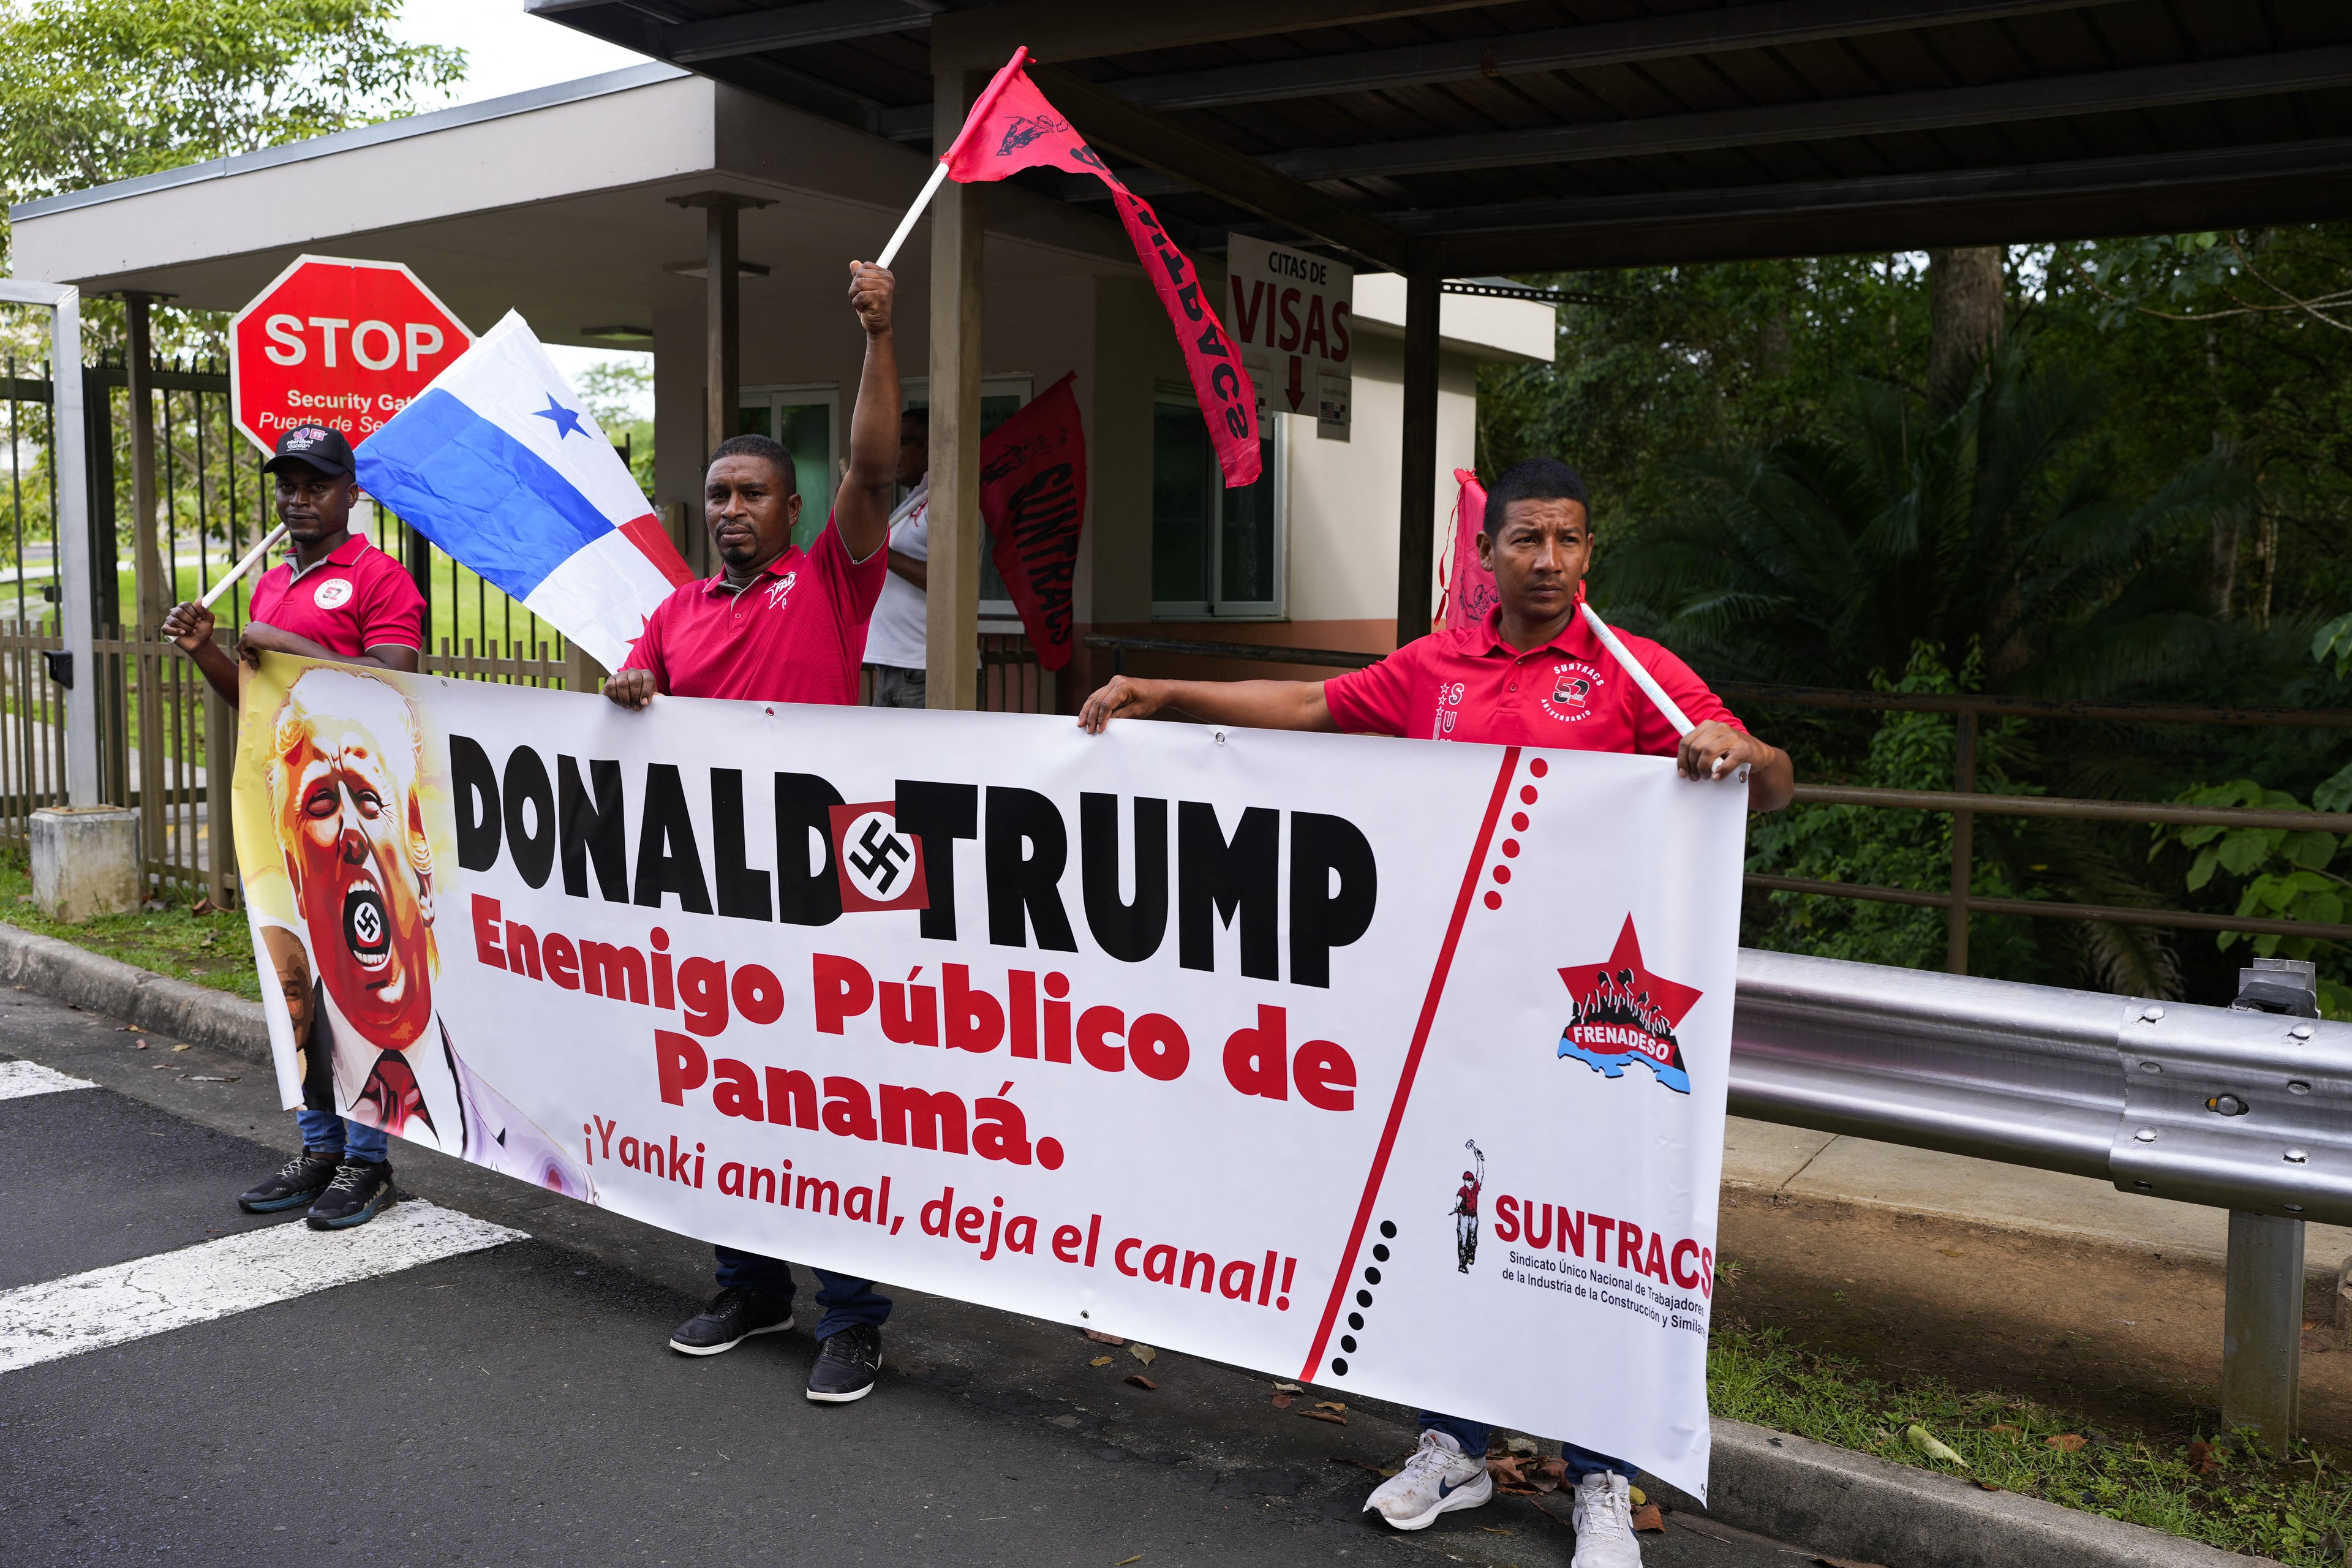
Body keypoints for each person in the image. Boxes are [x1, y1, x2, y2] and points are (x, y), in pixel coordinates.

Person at [1079, 456, 1795, 1567]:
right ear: (1489, 553)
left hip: (1589, 1028)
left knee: (1582, 1237)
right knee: (1454, 1231)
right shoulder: (1439, 665)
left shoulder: (1631, 675)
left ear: (1590, 551)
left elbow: (1778, 779)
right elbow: (1313, 704)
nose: (1548, 560)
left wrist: (1739, 750)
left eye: (1569, 539)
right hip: (1452, 1008)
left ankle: (1599, 1477)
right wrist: (1164, 694)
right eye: (1526, 540)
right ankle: (1453, 1446)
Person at [604, 258, 904, 1404]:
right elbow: (645, 699)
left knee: (829, 1102)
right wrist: (634, 683)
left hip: (820, 892)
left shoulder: (832, 580)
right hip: (710, 900)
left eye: (752, 494)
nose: (730, 508)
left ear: (793, 507)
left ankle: (854, 1316)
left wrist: (882, 338)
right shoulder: (674, 612)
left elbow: (875, 463)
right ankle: (748, 1283)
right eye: (717, 493)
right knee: (727, 1092)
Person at [158, 423, 426, 1229]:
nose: (299, 498)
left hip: (356, 821)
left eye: (315, 484)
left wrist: (286, 645)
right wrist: (210, 652)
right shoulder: (272, 583)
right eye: (289, 485)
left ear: (351, 494)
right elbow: (255, 700)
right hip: (284, 812)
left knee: (361, 982)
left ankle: (368, 1162)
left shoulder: (380, 579)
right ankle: (318, 1147)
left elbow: (393, 686)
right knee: (297, 985)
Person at [861, 406, 929, 707]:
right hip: (890, 663)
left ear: (930, 445)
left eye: (901, 442)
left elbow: (947, 582)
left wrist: (879, 552)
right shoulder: (911, 502)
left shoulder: (949, 504)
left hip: (925, 667)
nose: (892, 454)